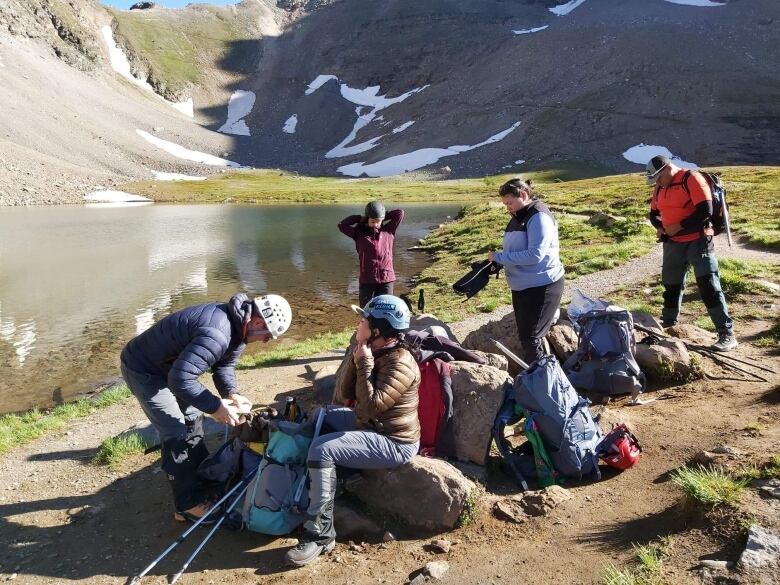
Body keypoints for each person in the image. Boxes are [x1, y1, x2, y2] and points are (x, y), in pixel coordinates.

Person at [119, 293, 292, 522]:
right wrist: (215, 407)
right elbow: (180, 380)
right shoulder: (217, 333)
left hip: (170, 367)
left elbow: (224, 367)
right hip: (144, 370)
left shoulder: (240, 327)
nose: (266, 341)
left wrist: (232, 394)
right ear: (258, 322)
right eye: (267, 335)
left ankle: (201, 478)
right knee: (175, 431)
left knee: (192, 417)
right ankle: (186, 506)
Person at [284, 294, 420, 567]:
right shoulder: (375, 350)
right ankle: (327, 483)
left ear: (379, 329)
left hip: (393, 441)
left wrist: (364, 364)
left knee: (322, 450)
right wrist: (357, 349)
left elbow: (368, 409)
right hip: (369, 426)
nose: (358, 323)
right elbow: (343, 393)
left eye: (364, 321)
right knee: (322, 414)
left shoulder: (400, 362)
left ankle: (320, 535)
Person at [646, 155, 737, 351]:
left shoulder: (692, 179)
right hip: (672, 243)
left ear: (667, 169)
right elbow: (653, 214)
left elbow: (705, 209)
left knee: (708, 285)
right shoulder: (660, 186)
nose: (657, 183)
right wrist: (661, 227)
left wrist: (677, 226)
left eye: (658, 178)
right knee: (671, 285)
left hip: (699, 241)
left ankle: (726, 333)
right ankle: (669, 325)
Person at [488, 177, 565, 363]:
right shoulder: (518, 216)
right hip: (523, 286)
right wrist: (498, 262)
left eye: (510, 202)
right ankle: (541, 378)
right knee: (528, 337)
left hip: (542, 285)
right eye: (505, 204)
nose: (508, 207)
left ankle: (544, 384)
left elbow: (535, 255)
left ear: (523, 195)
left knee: (531, 338)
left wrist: (500, 257)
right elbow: (516, 249)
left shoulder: (538, 216)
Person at [338, 201, 405, 307]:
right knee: (366, 311)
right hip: (367, 280)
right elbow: (342, 225)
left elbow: (399, 213)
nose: (375, 224)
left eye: (378, 221)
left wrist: (381, 215)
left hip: (386, 279)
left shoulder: (388, 231)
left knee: (386, 310)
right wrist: (361, 218)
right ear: (367, 219)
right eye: (372, 221)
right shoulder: (359, 234)